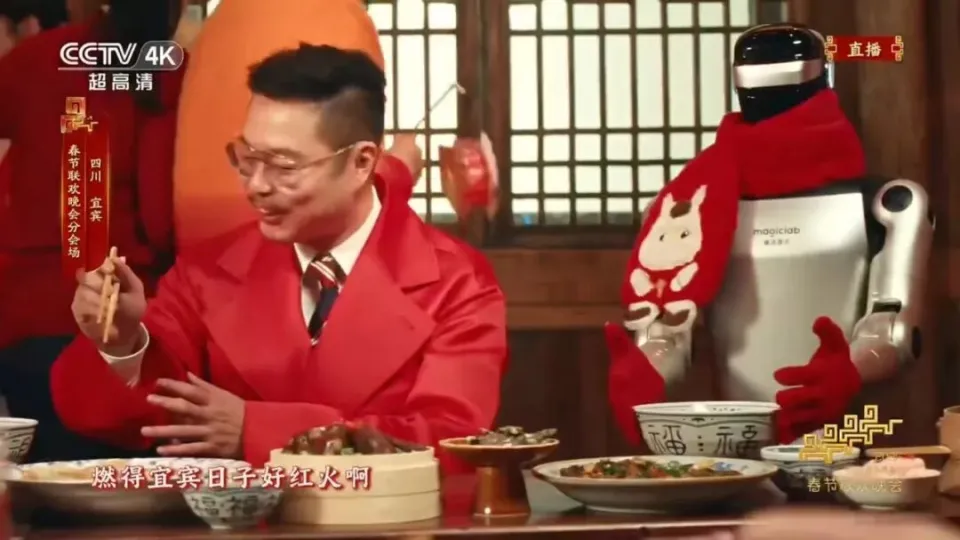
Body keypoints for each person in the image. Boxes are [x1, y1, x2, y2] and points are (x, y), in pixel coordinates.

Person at [50, 44, 507, 473]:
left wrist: (260, 432)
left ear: (362, 163)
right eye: (247, 159)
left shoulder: (457, 281)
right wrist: (123, 342)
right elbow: (134, 415)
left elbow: (453, 440)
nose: (256, 186)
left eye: (285, 167)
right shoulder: (208, 271)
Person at [0, 0, 185, 460]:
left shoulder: (35, 58)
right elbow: (160, 215)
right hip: (124, 314)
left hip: (26, 314)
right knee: (122, 481)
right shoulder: (172, 73)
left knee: (42, 481)